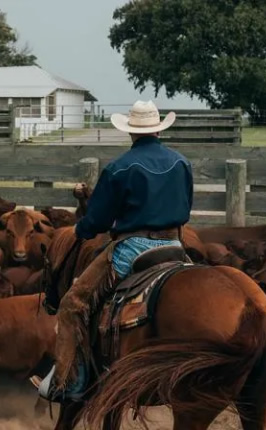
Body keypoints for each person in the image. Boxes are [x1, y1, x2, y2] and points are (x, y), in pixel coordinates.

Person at [37, 100, 195, 402]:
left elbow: (97, 221)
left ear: (131, 132)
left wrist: (81, 230)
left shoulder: (119, 168)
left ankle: (69, 382)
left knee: (72, 304)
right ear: (159, 130)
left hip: (133, 247)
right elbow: (186, 208)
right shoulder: (181, 163)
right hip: (175, 246)